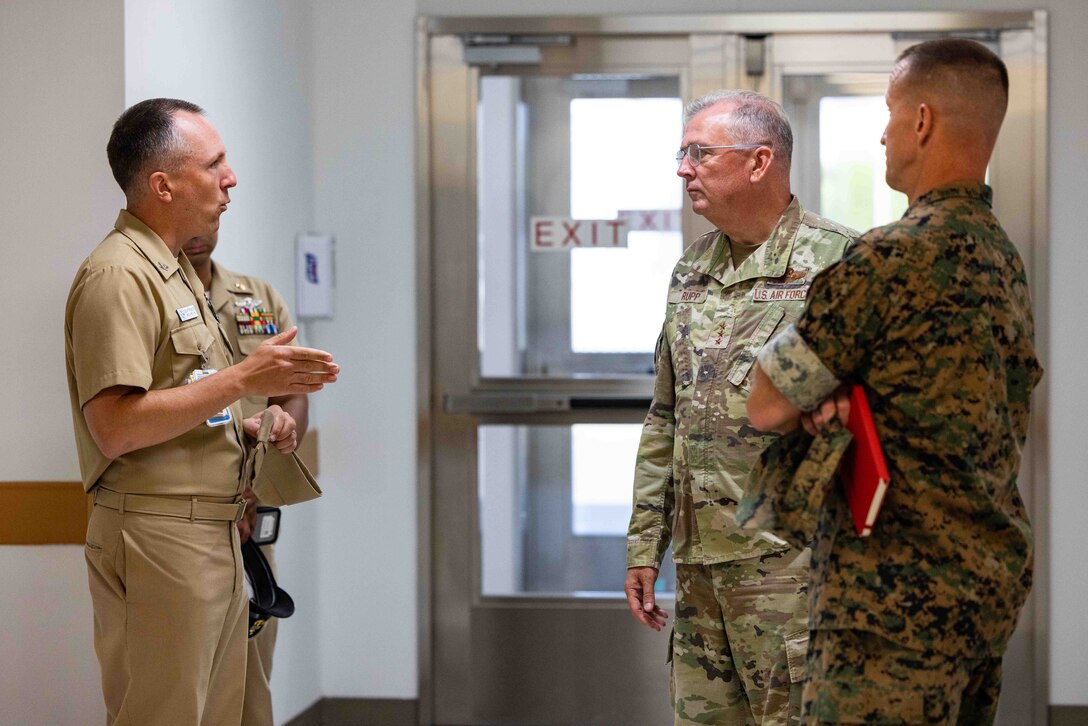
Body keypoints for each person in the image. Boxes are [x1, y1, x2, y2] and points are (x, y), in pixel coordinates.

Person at [746, 39, 1043, 724]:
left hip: (889, 607)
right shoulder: (1003, 260)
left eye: (890, 112)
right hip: (982, 590)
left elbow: (765, 403)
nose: (882, 132)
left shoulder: (891, 257)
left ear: (922, 122)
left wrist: (823, 394)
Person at [65, 98, 339, 726]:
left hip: (216, 528)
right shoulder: (118, 276)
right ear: (163, 185)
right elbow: (113, 428)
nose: (230, 177)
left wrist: (244, 421)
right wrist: (246, 377)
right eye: (215, 163)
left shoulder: (174, 276)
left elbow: (184, 400)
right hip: (160, 533)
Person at [623, 89, 856, 725]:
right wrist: (646, 546)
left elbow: (873, 424)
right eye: (682, 153)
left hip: (793, 573)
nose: (682, 168)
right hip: (700, 575)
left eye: (699, 153)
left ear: (759, 162)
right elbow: (666, 414)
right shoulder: (691, 270)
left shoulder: (839, 262)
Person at [182, 231, 306, 726]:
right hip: (189, 520)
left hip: (254, 523)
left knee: (253, 680)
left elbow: (292, 392)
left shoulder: (256, 298)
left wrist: (260, 479)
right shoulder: (149, 297)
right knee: (188, 686)